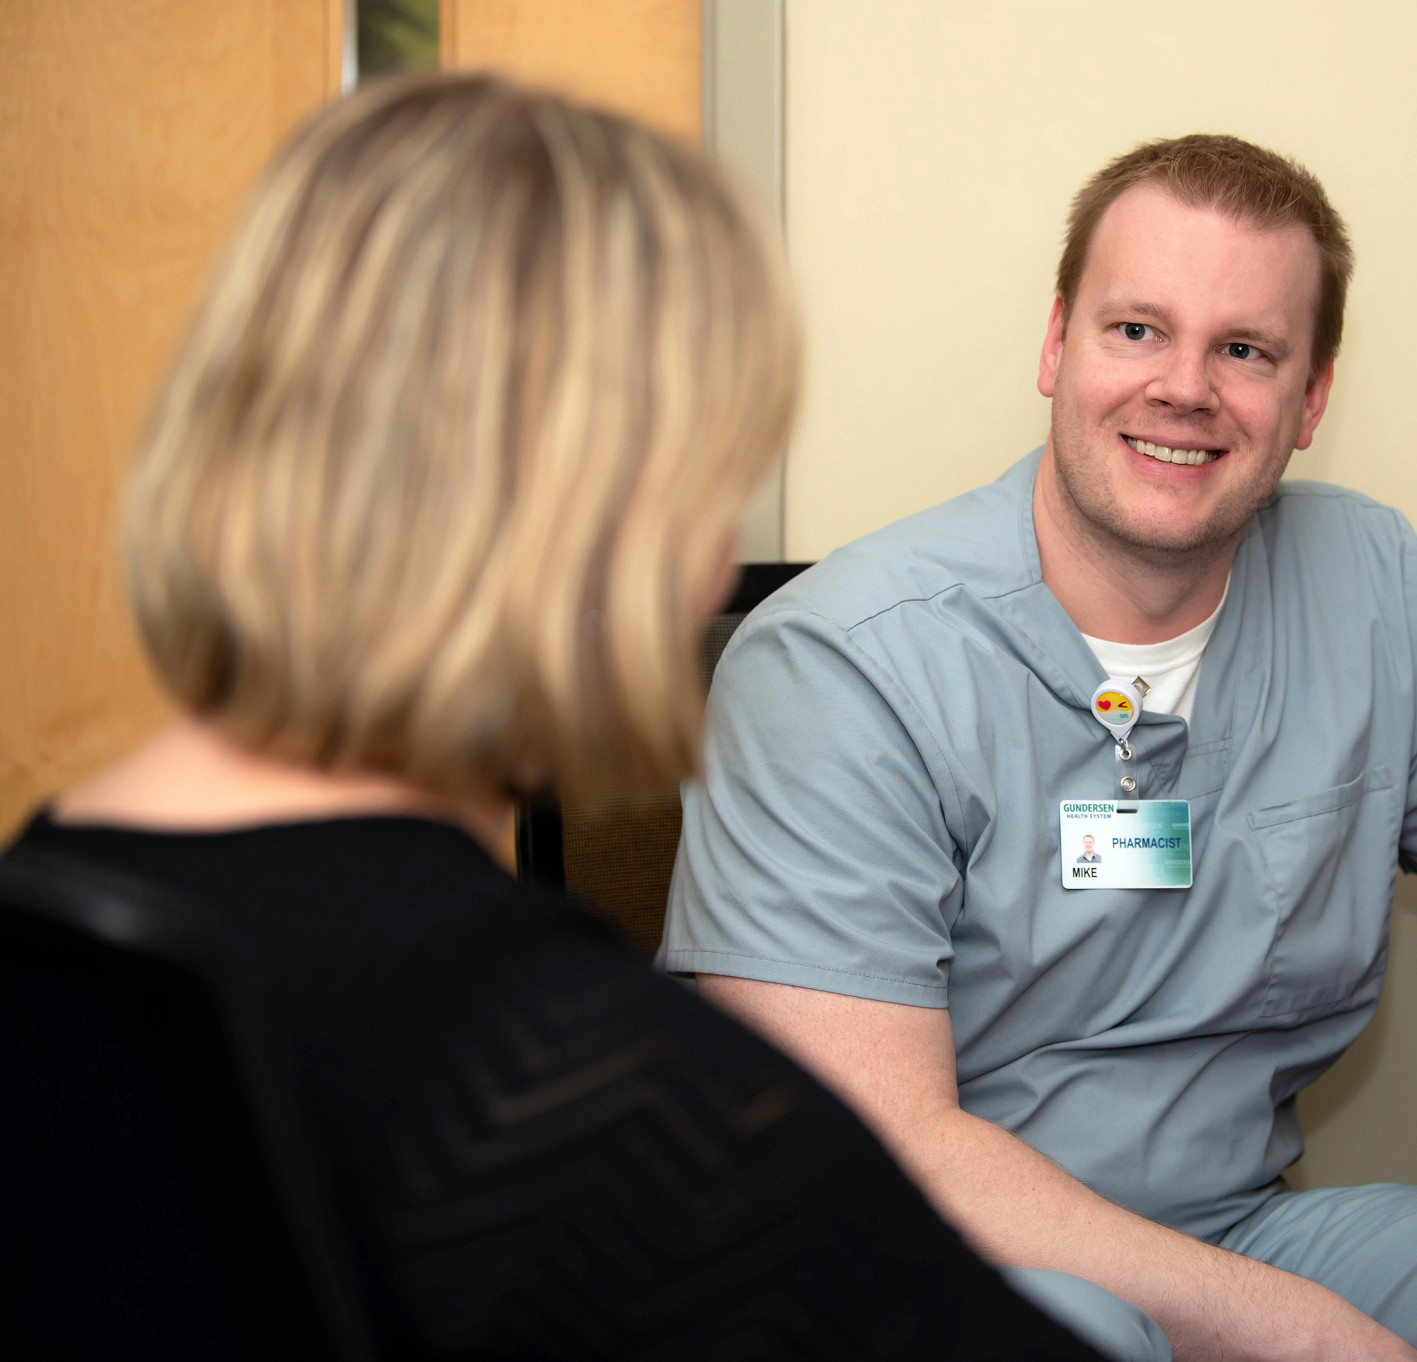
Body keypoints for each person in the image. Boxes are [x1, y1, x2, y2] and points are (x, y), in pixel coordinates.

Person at [0, 73, 1141, 1361]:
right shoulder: (592, 1101)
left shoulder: (62, 907)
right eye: (704, 483)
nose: (715, 567)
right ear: (583, 508)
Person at [666, 134, 1417, 1361]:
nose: (1184, 388)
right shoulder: (843, 664)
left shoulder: (1368, 590)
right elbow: (874, 1153)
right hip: (919, 1276)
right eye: (1136, 331)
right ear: (1056, 347)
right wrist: (1314, 1344)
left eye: (1245, 350)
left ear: (1309, 399)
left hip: (1228, 1237)